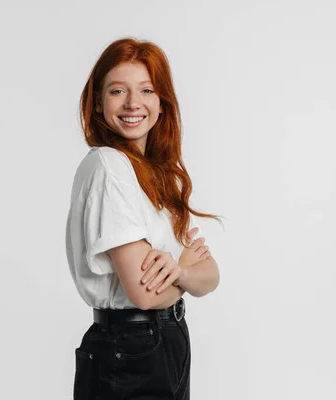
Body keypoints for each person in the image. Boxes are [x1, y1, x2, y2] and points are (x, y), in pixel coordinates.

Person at [65, 37, 223, 399]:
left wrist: (179, 272)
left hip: (165, 341)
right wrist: (185, 276)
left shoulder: (156, 176)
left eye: (147, 90)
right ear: (98, 103)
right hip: (131, 346)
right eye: (118, 91)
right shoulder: (109, 166)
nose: (133, 103)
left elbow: (210, 276)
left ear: (161, 103)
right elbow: (143, 295)